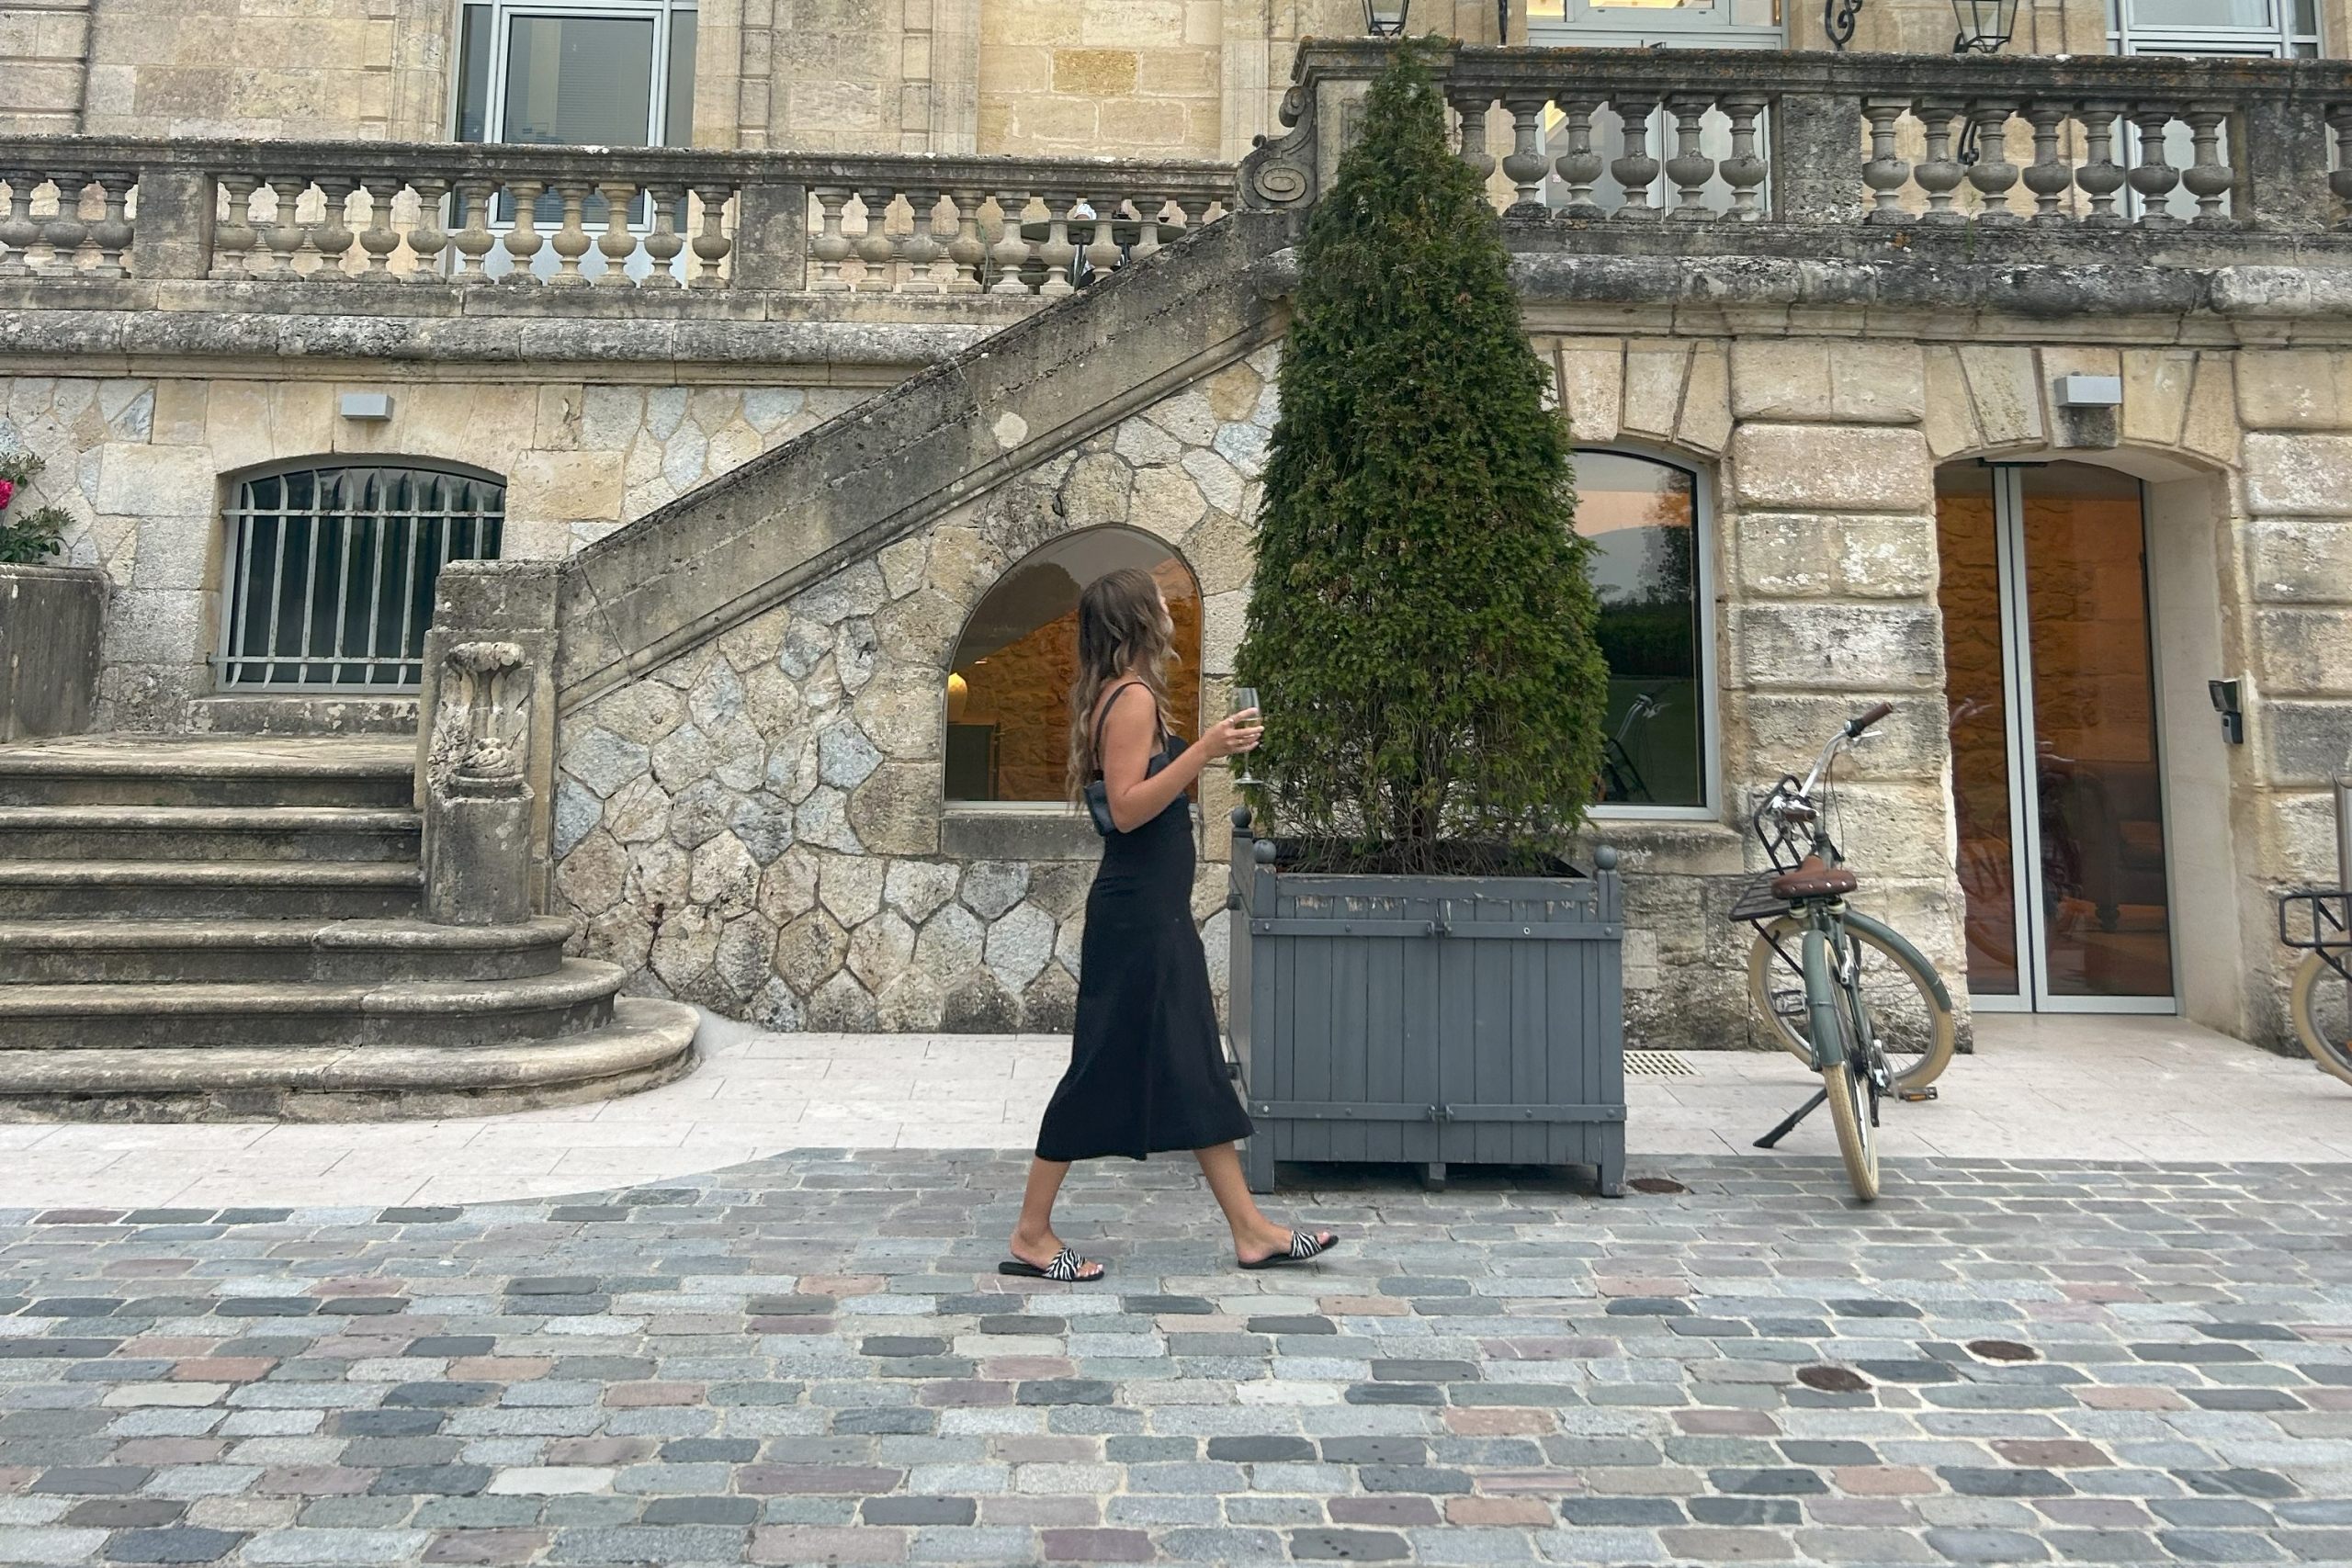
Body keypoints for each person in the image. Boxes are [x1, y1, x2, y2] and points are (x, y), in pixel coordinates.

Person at [1002, 567, 1340, 1282]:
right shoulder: (1130, 700)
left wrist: (1204, 751)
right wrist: (1203, 751)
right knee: (1098, 1068)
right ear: (1136, 617)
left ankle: (1250, 1230)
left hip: (1151, 914)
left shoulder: (1128, 693)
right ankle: (1031, 1232)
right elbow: (1127, 809)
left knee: (1192, 1065)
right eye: (1157, 599)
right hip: (1138, 920)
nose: (1168, 605)